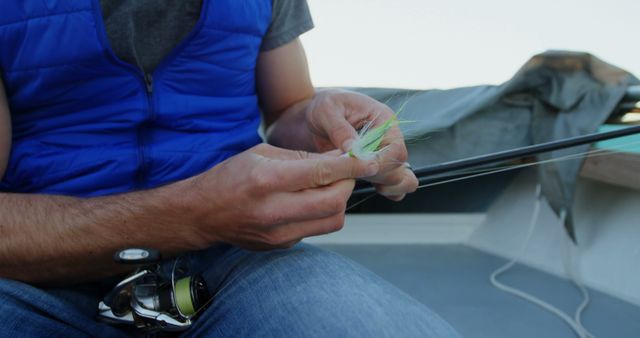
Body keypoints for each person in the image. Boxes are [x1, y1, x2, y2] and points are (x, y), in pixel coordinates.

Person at [0, 0, 459, 336]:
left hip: (237, 258)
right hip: (35, 276)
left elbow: (289, 109)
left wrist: (319, 121)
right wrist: (188, 215)